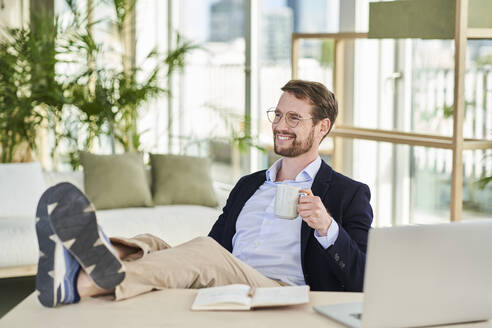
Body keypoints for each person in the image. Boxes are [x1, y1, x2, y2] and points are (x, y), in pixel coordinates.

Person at [35, 79, 373, 308]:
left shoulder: (347, 194)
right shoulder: (248, 185)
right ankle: (103, 253)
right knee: (151, 242)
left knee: (204, 253)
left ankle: (82, 284)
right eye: (279, 114)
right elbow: (215, 247)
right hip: (229, 279)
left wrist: (327, 227)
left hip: (283, 292)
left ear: (322, 127)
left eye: (294, 118)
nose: (280, 125)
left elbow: (361, 278)